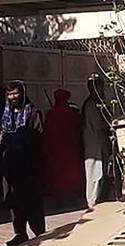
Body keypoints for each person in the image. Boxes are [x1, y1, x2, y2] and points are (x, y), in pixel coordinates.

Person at [0, 81, 45, 246]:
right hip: (10, 165)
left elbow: (38, 136)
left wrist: (21, 138)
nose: (13, 97)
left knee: (31, 200)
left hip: (28, 166)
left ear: (22, 93)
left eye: (15, 93)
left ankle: (40, 233)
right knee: (13, 200)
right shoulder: (6, 115)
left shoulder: (32, 112)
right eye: (10, 94)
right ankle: (20, 232)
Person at [43, 89, 84, 204]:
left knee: (58, 174)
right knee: (71, 173)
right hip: (71, 148)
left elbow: (46, 133)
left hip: (56, 150)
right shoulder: (73, 114)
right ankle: (72, 195)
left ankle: (59, 196)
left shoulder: (51, 114)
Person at [82, 76, 112, 208]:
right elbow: (99, 126)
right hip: (94, 144)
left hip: (97, 143)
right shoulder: (91, 105)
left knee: (100, 173)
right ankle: (92, 202)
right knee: (94, 174)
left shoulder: (98, 103)